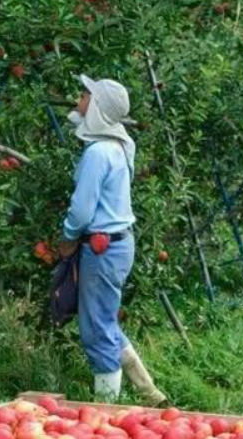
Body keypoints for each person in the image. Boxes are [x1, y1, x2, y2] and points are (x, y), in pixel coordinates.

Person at [58, 75, 166, 406]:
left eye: (86, 96)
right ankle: (148, 391)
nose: (79, 99)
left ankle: (105, 410)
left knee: (96, 329)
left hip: (101, 248)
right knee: (103, 318)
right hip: (118, 244)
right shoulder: (119, 145)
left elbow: (82, 208)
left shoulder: (98, 152)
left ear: (98, 109)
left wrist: (68, 236)